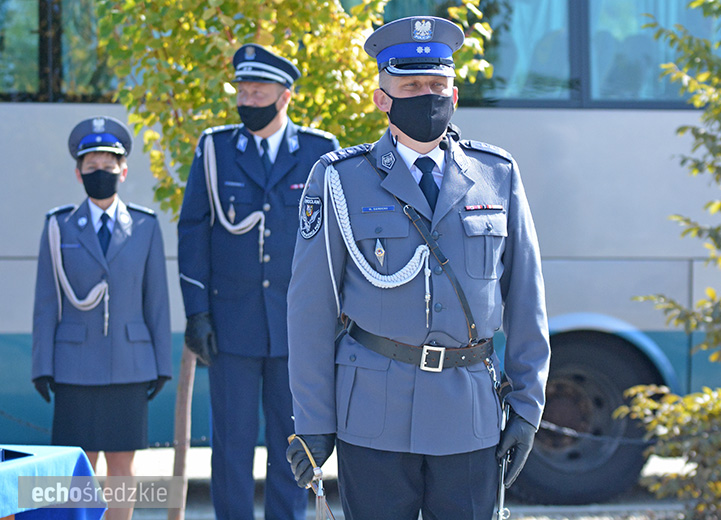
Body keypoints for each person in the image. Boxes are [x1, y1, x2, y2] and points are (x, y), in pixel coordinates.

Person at [285, 16, 550, 520]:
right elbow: (310, 310)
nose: (427, 96)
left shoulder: (496, 175)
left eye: (437, 85)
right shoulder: (340, 180)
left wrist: (528, 409)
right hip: (372, 415)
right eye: (410, 85)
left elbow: (527, 301)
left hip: (469, 414)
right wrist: (314, 421)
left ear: (453, 95)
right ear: (383, 97)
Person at [177, 43, 339, 520]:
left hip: (297, 329)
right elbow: (193, 230)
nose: (247, 99)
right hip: (231, 325)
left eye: (258, 90)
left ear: (285, 95)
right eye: (242, 91)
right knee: (231, 441)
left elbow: (333, 241)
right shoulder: (215, 149)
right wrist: (196, 312)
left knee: (294, 444)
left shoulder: (319, 151)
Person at [32, 116, 172, 520]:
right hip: (74, 367)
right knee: (77, 469)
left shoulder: (145, 226)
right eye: (91, 168)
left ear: (123, 172)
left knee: (123, 468)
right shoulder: (58, 226)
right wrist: (42, 365)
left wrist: (161, 364)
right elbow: (46, 303)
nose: (101, 174)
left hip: (130, 365)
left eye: (109, 168)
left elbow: (156, 302)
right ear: (78, 174)